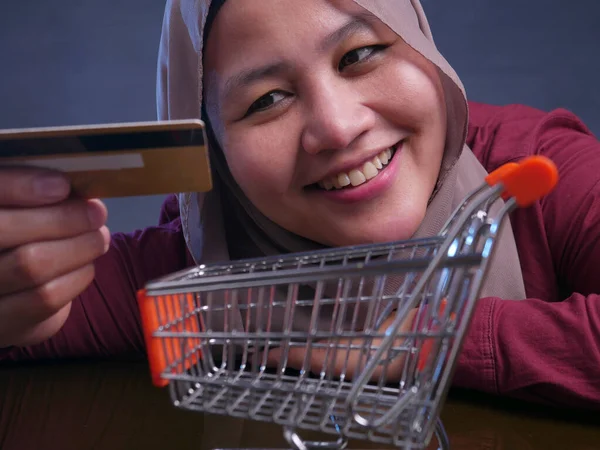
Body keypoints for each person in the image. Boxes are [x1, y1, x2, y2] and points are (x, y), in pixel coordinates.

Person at [0, 0, 599, 411]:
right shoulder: (203, 269)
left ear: (422, 46)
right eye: (267, 100)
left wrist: (423, 341)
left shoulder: (538, 170)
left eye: (359, 56)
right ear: (213, 151)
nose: (337, 130)